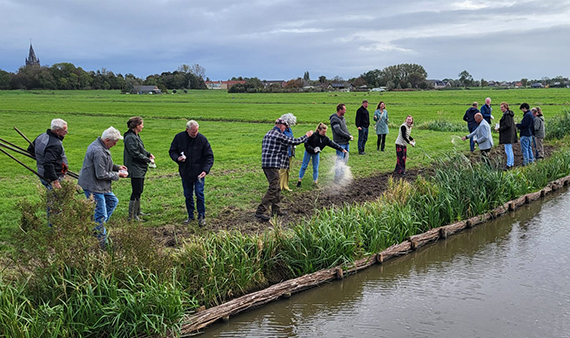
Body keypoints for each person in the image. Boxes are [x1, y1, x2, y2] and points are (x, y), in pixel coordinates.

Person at [78, 127, 128, 247]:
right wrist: (118, 174)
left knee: (112, 201)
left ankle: (96, 227)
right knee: (101, 214)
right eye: (114, 142)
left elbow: (105, 165)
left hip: (100, 185)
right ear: (107, 140)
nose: (115, 144)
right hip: (94, 186)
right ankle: (102, 242)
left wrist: (117, 167)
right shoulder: (98, 151)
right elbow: (101, 174)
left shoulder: (101, 146)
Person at [256, 118, 313, 221]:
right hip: (272, 165)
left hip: (266, 164)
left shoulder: (268, 133)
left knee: (277, 187)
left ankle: (276, 210)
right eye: (285, 127)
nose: (285, 129)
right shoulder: (277, 135)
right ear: (281, 125)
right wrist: (307, 136)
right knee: (274, 187)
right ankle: (261, 210)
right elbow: (294, 141)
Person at [169, 120, 214, 227]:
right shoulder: (179, 138)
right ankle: (190, 216)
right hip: (185, 172)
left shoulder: (202, 139)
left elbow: (209, 156)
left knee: (199, 194)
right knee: (188, 195)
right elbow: (172, 151)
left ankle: (201, 217)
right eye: (193, 132)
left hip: (199, 173)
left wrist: (205, 170)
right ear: (187, 130)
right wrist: (177, 158)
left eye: (196, 131)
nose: (195, 134)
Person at [27, 118, 69, 226]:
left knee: (54, 200)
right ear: (57, 131)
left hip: (42, 173)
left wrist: (41, 158)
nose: (67, 132)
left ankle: (55, 225)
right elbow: (48, 163)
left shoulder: (42, 136)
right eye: (64, 130)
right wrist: (55, 181)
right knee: (55, 203)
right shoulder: (55, 144)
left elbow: (30, 150)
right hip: (51, 176)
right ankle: (54, 228)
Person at [123, 116, 155, 221]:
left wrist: (149, 154)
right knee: (136, 190)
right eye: (141, 124)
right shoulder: (130, 138)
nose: (143, 126)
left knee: (139, 190)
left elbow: (141, 149)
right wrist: (147, 159)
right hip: (134, 168)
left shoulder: (135, 136)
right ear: (136, 126)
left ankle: (137, 211)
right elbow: (135, 153)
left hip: (139, 167)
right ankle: (132, 216)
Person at [296, 123, 347, 187]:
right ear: (319, 130)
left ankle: (315, 182)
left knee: (315, 168)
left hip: (316, 154)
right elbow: (306, 144)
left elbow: (333, 144)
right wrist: (313, 149)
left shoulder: (325, 139)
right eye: (323, 132)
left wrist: (341, 149)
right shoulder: (313, 135)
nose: (324, 133)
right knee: (304, 166)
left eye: (325, 132)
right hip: (308, 152)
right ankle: (299, 181)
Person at [329, 103, 353, 182]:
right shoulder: (334, 119)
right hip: (340, 143)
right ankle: (337, 178)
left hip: (346, 142)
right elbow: (338, 131)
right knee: (339, 160)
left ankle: (342, 176)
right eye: (344, 110)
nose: (345, 111)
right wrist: (348, 136)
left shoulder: (343, 118)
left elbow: (345, 129)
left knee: (345, 160)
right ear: (340, 110)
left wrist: (349, 135)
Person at [496, 102, 518, 169]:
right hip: (510, 134)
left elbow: (507, 125)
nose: (501, 108)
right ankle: (511, 163)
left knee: (508, 150)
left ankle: (509, 164)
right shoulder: (509, 114)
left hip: (507, 135)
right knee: (509, 149)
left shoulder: (507, 115)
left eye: (502, 107)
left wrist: (500, 129)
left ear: (505, 107)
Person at [278, 113, 297, 192]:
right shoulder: (281, 130)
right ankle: (279, 186)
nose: (289, 126)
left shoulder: (289, 129)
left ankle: (285, 185)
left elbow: (291, 138)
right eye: (288, 124)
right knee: (282, 170)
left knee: (287, 169)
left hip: (290, 152)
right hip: (283, 152)